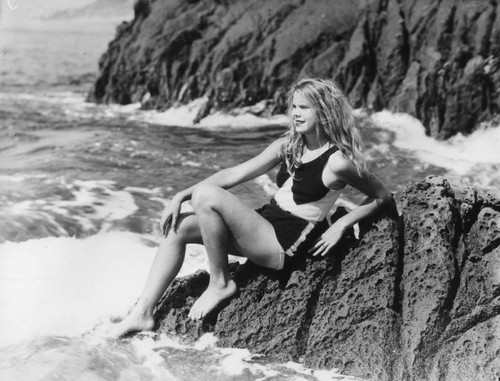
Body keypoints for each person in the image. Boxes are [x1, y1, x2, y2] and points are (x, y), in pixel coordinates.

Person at [108, 78, 393, 338]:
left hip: (282, 245)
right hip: (263, 225)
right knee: (178, 227)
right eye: (293, 106)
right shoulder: (288, 145)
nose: (296, 113)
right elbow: (233, 175)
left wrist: (343, 223)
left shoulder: (337, 162)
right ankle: (143, 313)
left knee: (207, 196)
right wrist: (181, 195)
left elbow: (382, 195)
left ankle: (220, 283)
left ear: (324, 110)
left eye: (304, 107)